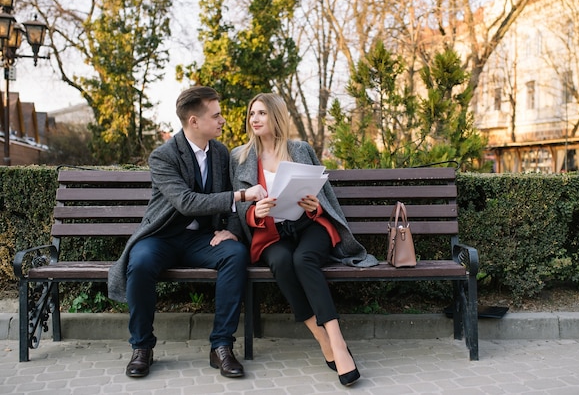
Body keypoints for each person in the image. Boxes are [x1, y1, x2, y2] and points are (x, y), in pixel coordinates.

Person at [107, 86, 266, 379]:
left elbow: (230, 210)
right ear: (194, 121)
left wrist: (230, 231)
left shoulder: (221, 153)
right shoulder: (163, 156)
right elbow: (186, 201)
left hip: (201, 239)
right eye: (216, 115)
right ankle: (142, 347)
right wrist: (242, 195)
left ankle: (221, 346)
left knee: (235, 253)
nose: (222, 121)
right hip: (161, 236)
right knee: (139, 263)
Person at [230, 93, 377, 387]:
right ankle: (320, 335)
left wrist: (314, 206)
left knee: (304, 259)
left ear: (277, 117)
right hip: (271, 233)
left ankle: (337, 341)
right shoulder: (240, 157)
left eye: (261, 113)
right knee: (284, 262)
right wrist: (254, 213)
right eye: (252, 114)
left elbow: (323, 194)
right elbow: (239, 207)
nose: (254, 119)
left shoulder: (300, 149)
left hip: (309, 226)